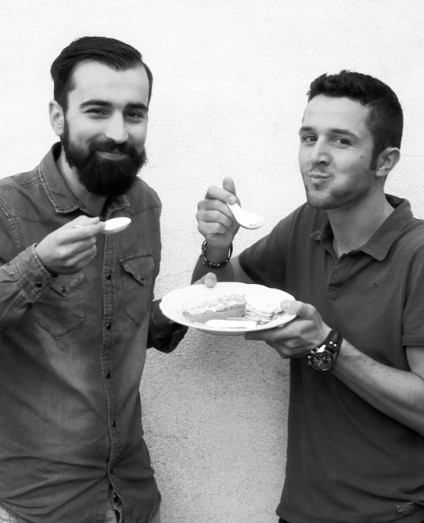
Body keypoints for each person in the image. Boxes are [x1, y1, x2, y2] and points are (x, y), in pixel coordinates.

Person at [193, 71, 424, 522]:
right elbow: (215, 299)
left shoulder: (418, 253)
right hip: (302, 510)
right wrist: (218, 248)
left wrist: (327, 346)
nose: (316, 156)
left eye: (340, 141)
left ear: (385, 161)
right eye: (308, 137)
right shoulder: (306, 226)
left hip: (394, 514)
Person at [0, 36, 187, 523]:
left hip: (133, 493)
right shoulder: (6, 208)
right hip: (41, 503)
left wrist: (212, 264)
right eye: (98, 111)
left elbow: (126, 332)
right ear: (58, 116)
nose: (119, 133)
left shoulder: (143, 204)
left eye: (134, 113)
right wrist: (37, 264)